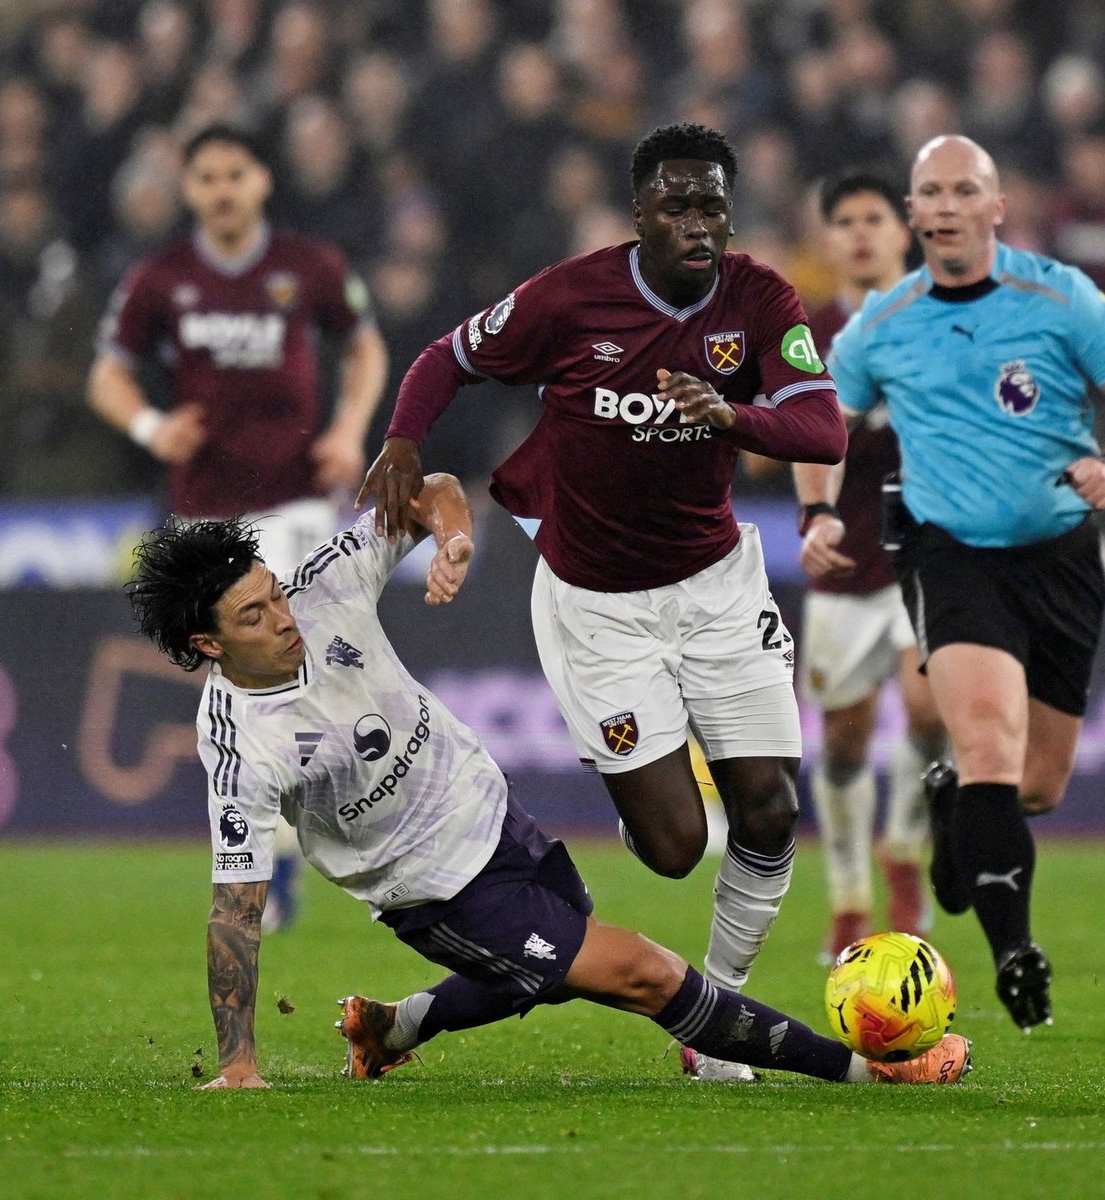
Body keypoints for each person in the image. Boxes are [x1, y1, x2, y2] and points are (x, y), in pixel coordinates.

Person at [122, 478, 971, 1091]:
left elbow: (432, 490)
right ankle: (871, 1071)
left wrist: (449, 537)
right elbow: (233, 908)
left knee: (565, 958)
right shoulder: (241, 747)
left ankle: (394, 1027)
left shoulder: (326, 587)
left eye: (273, 596)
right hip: (436, 890)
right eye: (254, 617)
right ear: (207, 645)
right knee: (640, 971)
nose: (283, 618)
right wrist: (237, 1062)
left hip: (495, 815)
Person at [356, 123, 848, 1082]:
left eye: (712, 206)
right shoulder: (572, 295)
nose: (697, 224)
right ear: (640, 214)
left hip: (716, 583)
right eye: (677, 206)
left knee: (772, 807)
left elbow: (823, 428)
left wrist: (730, 413)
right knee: (674, 848)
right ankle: (650, 791)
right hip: (596, 600)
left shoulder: (759, 298)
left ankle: (715, 1030)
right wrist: (404, 444)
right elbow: (444, 357)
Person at [803, 135, 1105, 1031]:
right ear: (915, 212)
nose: (943, 206)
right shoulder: (882, 324)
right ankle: (1015, 952)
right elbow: (817, 423)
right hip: (948, 553)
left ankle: (945, 809)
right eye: (928, 191)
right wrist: (817, 512)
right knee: (988, 747)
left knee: (1037, 787)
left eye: (962, 190)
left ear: (996, 207)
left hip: (1058, 557)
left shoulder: (1059, 296)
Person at [89, 122, 390, 931]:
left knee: (300, 674)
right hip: (205, 519)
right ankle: (267, 853)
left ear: (261, 180)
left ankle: (300, 853)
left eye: (235, 173)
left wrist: (349, 428)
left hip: (294, 501)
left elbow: (365, 347)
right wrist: (152, 429)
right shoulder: (163, 278)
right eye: (207, 177)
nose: (222, 189)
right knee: (238, 699)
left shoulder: (309, 266)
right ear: (188, 190)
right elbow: (107, 374)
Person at [792, 171, 946, 963]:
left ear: (904, 231)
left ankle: (904, 862)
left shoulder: (942, 321)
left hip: (930, 557)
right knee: (846, 745)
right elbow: (787, 440)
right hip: (846, 562)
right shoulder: (808, 335)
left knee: (929, 716)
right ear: (829, 239)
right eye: (844, 220)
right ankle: (850, 902)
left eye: (873, 218)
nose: (859, 232)